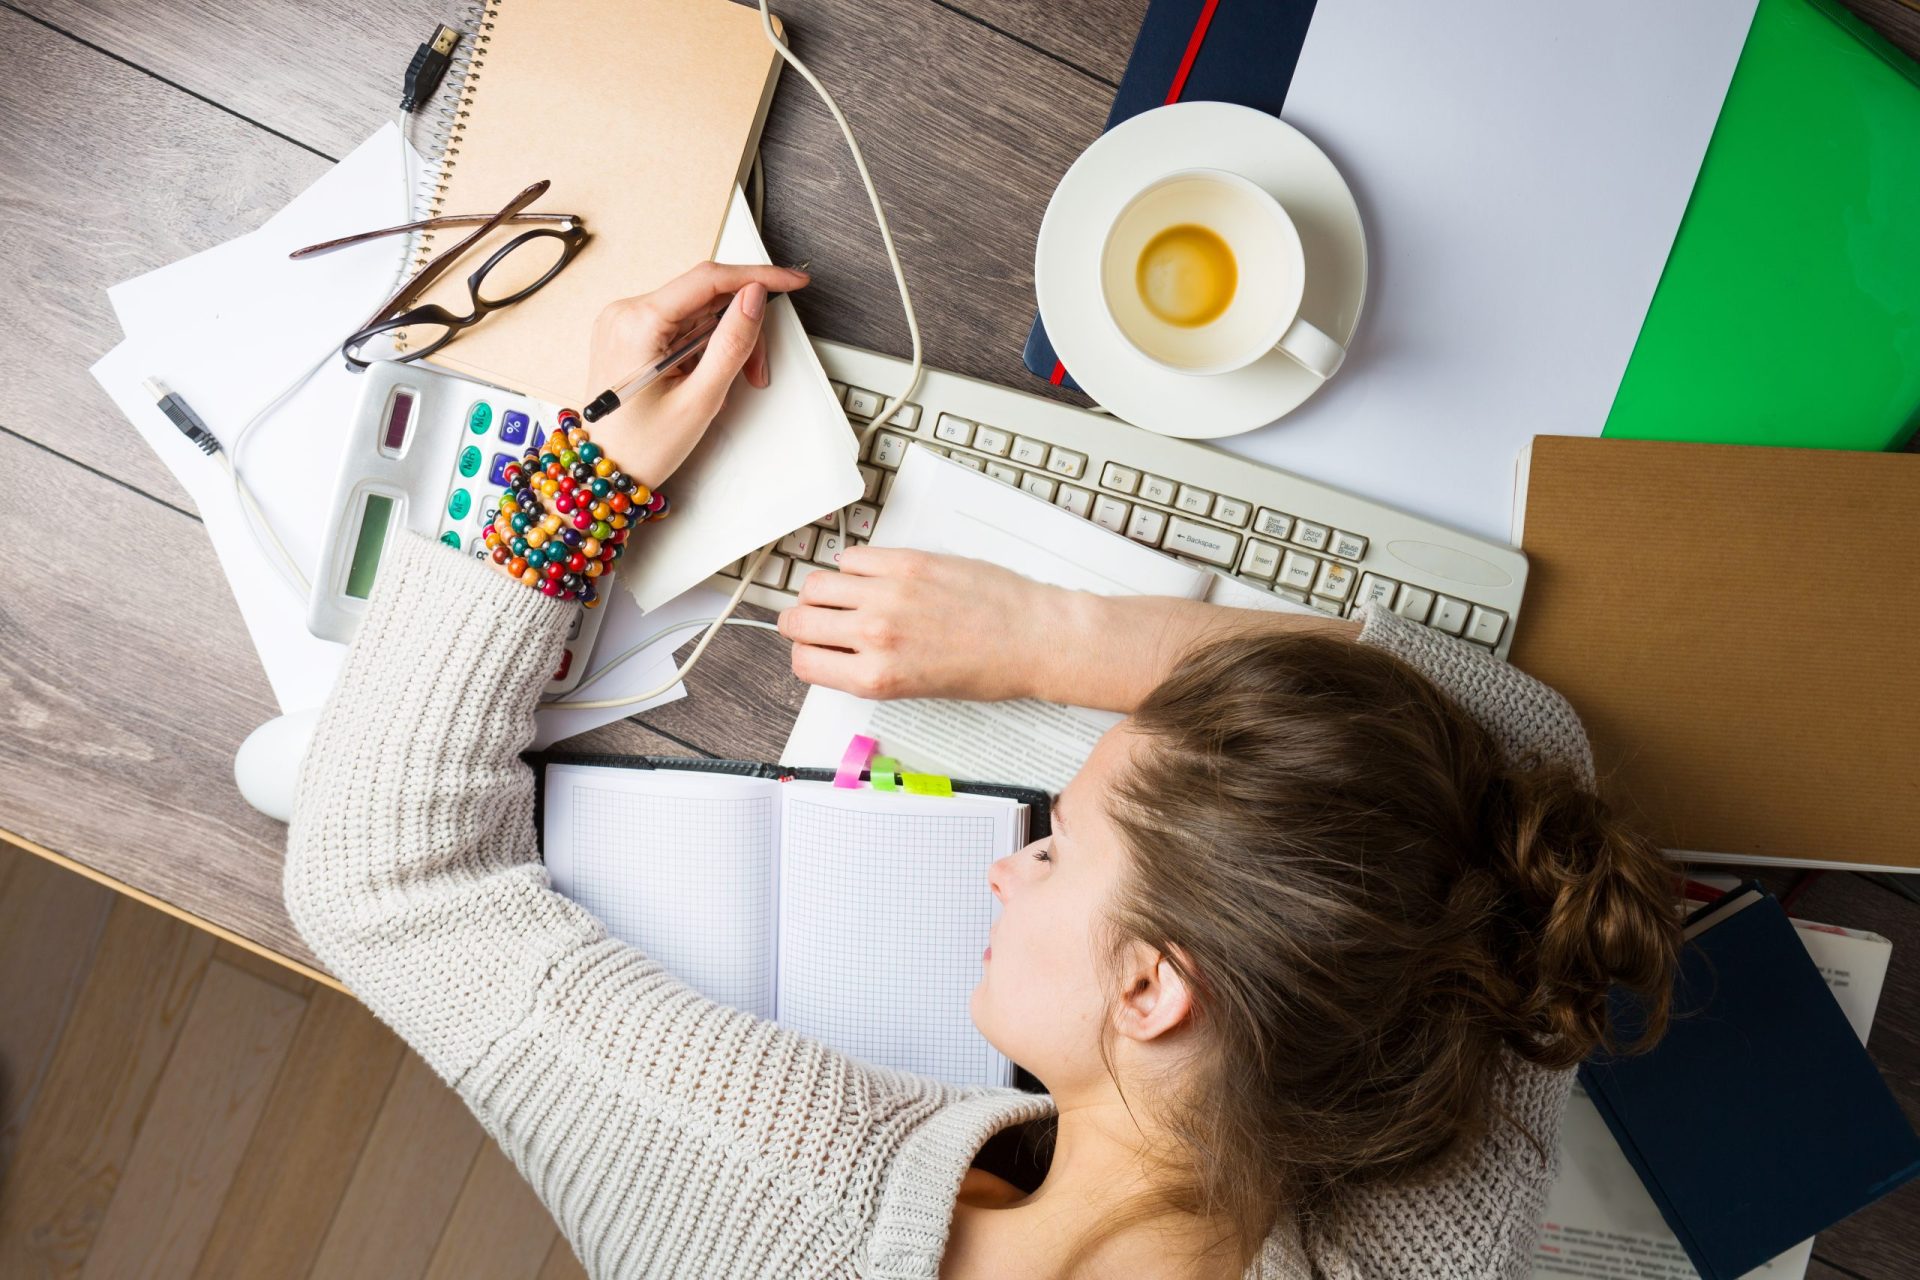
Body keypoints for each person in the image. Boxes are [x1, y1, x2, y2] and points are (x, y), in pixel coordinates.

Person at [285, 262, 1681, 1280]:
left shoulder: (771, 1197)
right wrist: (1055, 635)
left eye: (1060, 848)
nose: (1009, 864)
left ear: (1153, 988)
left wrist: (582, 463)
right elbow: (1516, 749)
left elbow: (381, 874)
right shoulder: (1406, 1214)